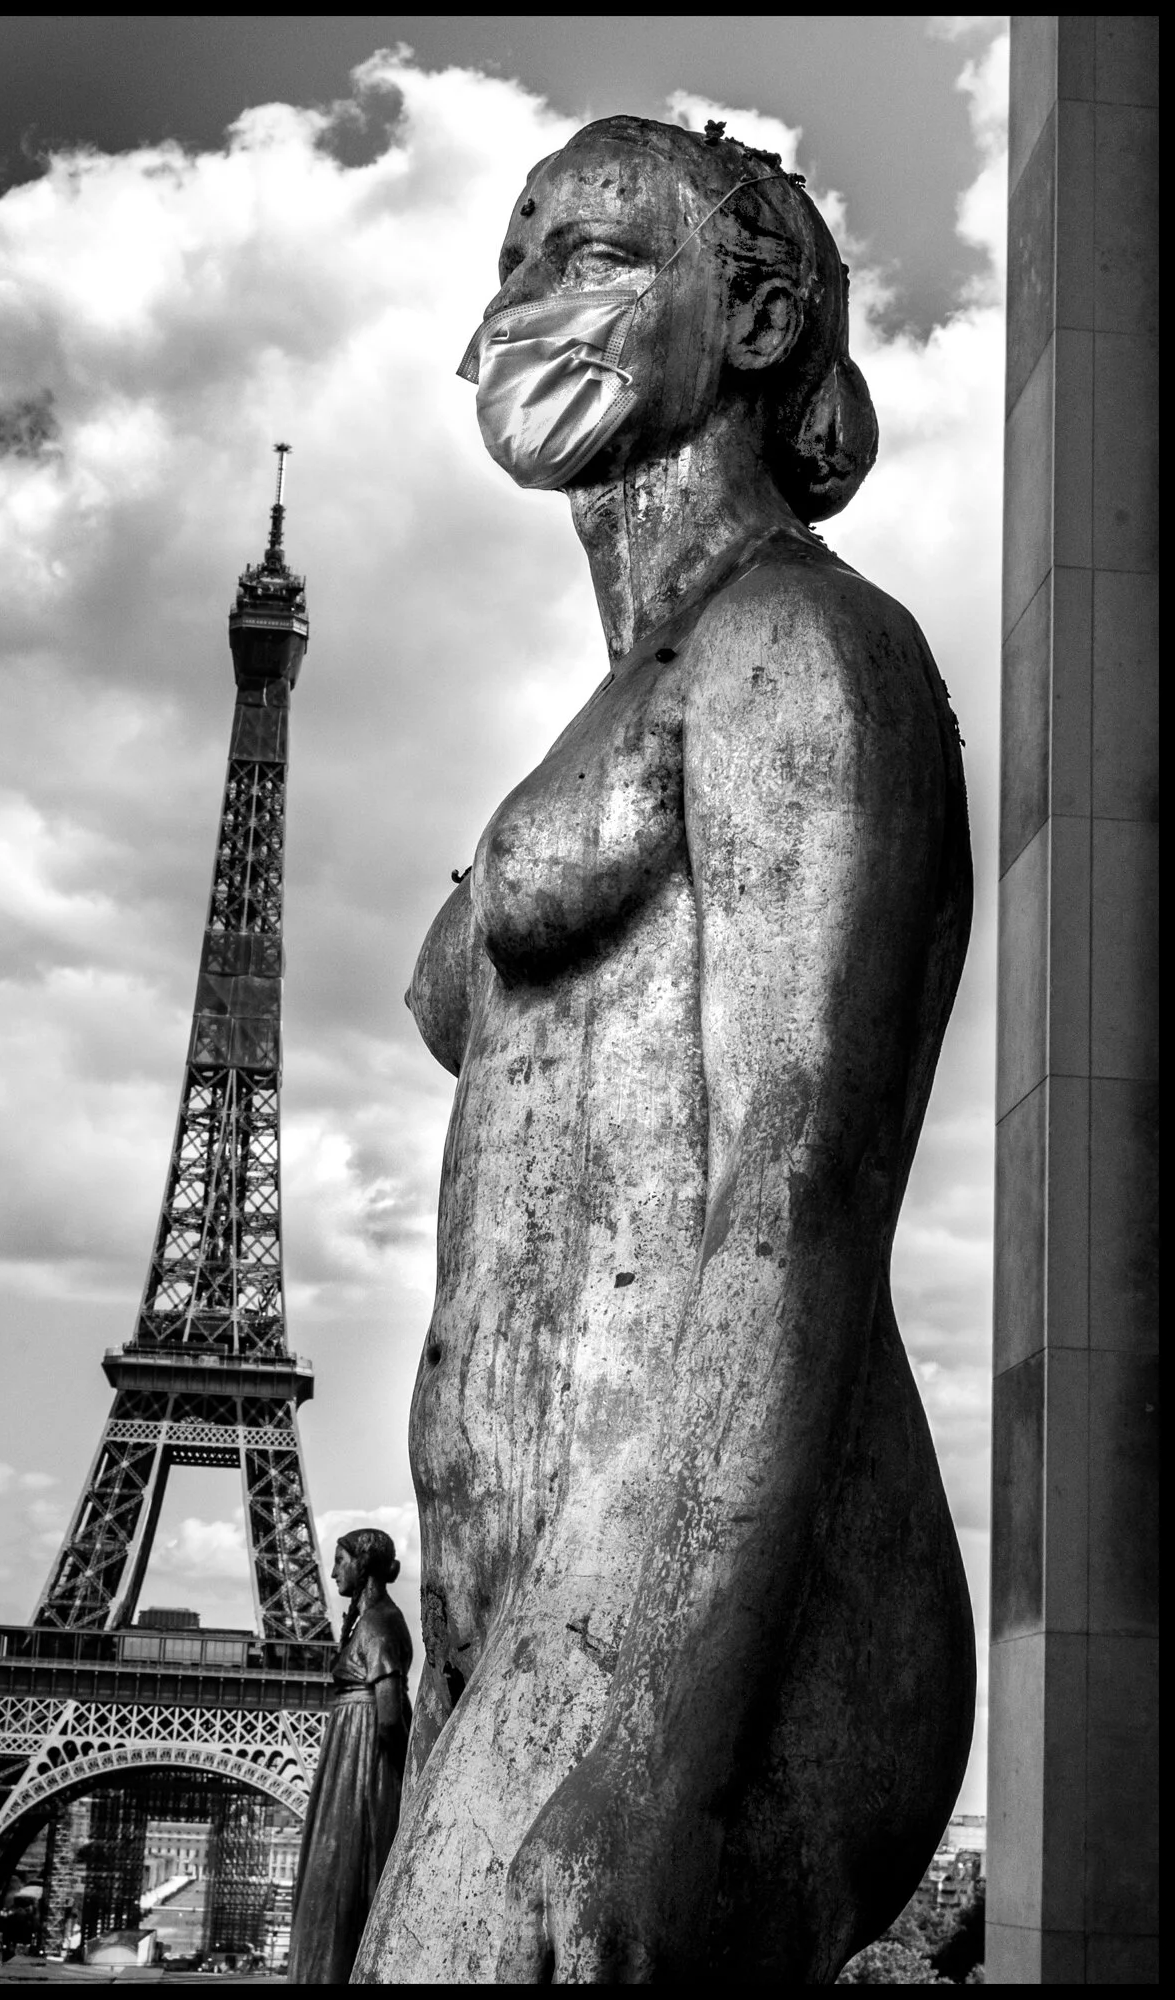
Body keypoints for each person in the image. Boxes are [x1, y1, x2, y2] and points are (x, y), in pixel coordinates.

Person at [355, 115, 976, 1983]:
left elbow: (792, 1195)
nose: (525, 300)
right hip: (531, 1587)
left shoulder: (799, 649)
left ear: (764, 314)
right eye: (513, 252)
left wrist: (640, 1766)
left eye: (599, 254)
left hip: (689, 1625)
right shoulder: (630, 691)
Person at [287, 1529, 412, 1984]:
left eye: (341, 1560)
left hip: (360, 1758)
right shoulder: (368, 1620)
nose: (334, 1569)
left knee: (341, 1868)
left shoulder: (380, 1622)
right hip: (351, 1752)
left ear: (363, 1565)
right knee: (333, 1868)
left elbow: (389, 1716)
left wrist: (401, 1778)